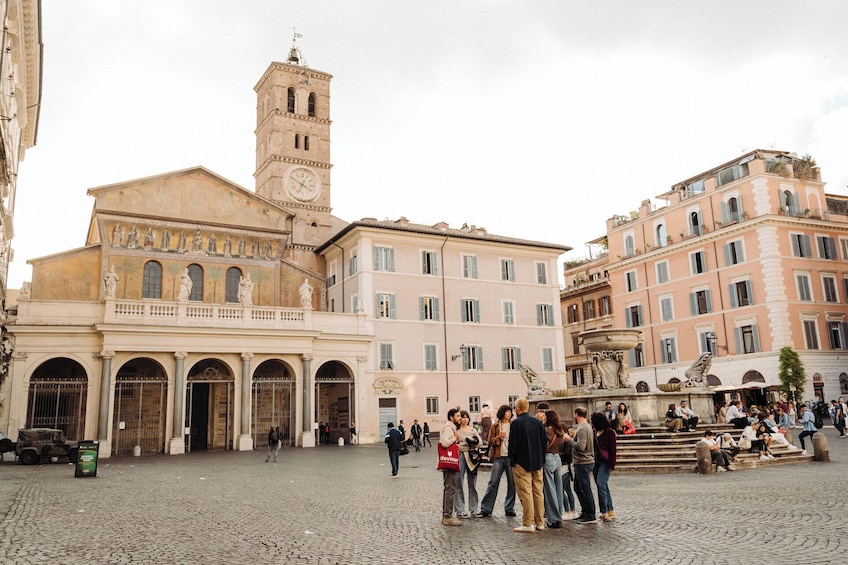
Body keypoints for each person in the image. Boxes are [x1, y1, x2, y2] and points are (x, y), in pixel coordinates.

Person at [508, 398, 547, 533]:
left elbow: (513, 444)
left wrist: (512, 460)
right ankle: (540, 522)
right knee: (538, 492)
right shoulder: (538, 422)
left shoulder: (516, 423)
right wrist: (542, 458)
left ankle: (528, 522)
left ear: (518, 408)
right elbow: (544, 442)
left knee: (526, 492)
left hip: (521, 462)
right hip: (537, 461)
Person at [480, 404, 517, 518]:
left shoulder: (513, 425)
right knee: (493, 482)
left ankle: (509, 507)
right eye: (507, 412)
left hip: (510, 457)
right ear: (502, 413)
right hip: (498, 457)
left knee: (512, 483)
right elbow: (490, 440)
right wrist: (498, 438)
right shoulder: (495, 426)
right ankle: (486, 508)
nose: (509, 413)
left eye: (510, 412)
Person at [564, 406, 596, 524]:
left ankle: (590, 515)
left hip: (583, 462)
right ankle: (585, 512)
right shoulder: (586, 427)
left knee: (585, 489)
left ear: (576, 414)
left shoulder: (583, 428)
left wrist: (569, 440)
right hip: (582, 462)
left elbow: (581, 447)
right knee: (578, 487)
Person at [455, 410, 483, 517]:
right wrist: (468, 442)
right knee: (458, 483)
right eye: (463, 417)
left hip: (471, 457)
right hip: (460, 456)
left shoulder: (472, 430)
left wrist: (464, 442)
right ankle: (459, 509)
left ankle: (474, 508)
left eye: (467, 417)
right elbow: (456, 446)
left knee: (472, 483)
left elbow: (479, 442)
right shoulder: (456, 431)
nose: (465, 419)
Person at [591, 412, 618, 521]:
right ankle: (611, 510)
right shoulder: (594, 432)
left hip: (605, 462)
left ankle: (604, 512)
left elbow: (613, 450)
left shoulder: (610, 433)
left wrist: (612, 464)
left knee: (600, 484)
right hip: (595, 461)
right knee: (603, 486)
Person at [542, 410, 565, 528]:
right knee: (558, 488)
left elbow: (544, 446)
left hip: (549, 457)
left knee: (549, 490)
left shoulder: (547, 431)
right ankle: (559, 515)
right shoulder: (560, 430)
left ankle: (554, 518)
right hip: (557, 458)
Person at [441, 408, 463, 526]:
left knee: (449, 488)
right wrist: (455, 437)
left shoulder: (450, 428)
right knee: (450, 488)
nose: (460, 418)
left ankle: (447, 514)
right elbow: (444, 443)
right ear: (451, 417)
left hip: (450, 461)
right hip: (450, 462)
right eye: (458, 416)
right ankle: (447, 516)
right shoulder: (449, 428)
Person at [559, 421, 578, 520]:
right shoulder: (564, 440)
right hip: (566, 466)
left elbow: (566, 453)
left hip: (565, 467)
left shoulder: (566, 440)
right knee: (568, 490)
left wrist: (557, 454)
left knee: (562, 489)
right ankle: (572, 510)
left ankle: (568, 510)